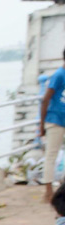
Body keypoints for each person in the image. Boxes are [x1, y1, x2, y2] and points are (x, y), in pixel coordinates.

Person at [41, 47, 65, 202]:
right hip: (55, 119)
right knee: (51, 154)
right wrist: (41, 123)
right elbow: (46, 99)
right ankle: (48, 190)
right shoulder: (58, 75)